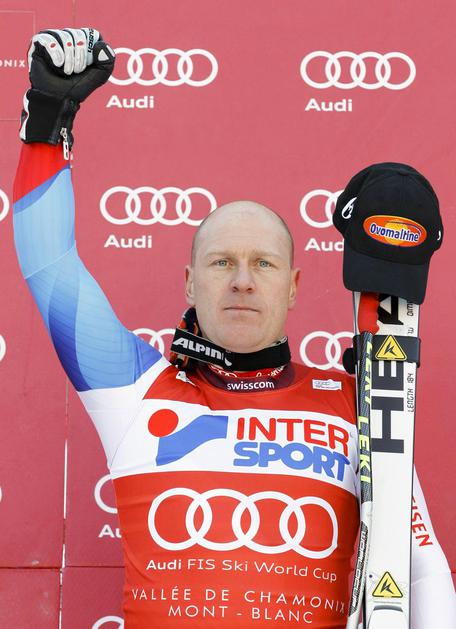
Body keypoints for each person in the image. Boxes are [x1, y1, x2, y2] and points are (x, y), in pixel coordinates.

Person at [13, 28, 455, 629]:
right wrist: (47, 122)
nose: (243, 281)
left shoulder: (360, 403)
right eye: (221, 263)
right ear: (190, 282)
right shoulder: (133, 390)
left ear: (293, 287)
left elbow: (420, 567)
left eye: (263, 265)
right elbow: (50, 267)